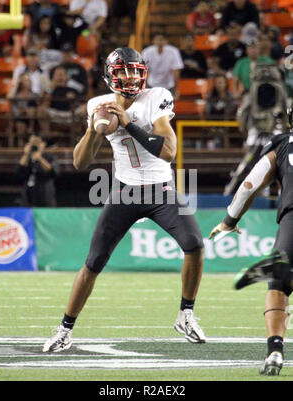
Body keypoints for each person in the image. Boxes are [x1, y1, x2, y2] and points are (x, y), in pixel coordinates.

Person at [43, 47, 206, 352]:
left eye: (135, 71)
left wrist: (128, 123)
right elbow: (80, 163)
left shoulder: (156, 97)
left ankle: (186, 314)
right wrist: (93, 130)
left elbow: (169, 151)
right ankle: (65, 329)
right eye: (123, 72)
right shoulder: (98, 104)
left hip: (161, 190)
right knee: (93, 262)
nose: (130, 77)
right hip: (124, 191)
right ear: (109, 76)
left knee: (195, 244)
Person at [209, 110, 293, 375]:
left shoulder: (282, 143)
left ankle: (275, 353)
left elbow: (248, 185)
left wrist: (229, 221)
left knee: (278, 286)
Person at [16, 133, 60, 206]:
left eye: (37, 143)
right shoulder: (26, 158)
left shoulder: (50, 157)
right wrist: (26, 154)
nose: (34, 145)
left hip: (45, 197)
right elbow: (19, 172)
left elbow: (53, 172)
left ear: (43, 144)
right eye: (32, 143)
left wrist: (39, 158)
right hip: (28, 198)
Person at [142, 33, 184, 98]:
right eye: (157, 40)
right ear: (153, 41)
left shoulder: (174, 51)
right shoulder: (146, 52)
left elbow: (176, 71)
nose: (160, 42)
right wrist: (144, 88)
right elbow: (144, 71)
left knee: (168, 106)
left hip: (169, 85)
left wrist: (176, 89)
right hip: (152, 84)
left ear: (166, 41)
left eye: (162, 40)